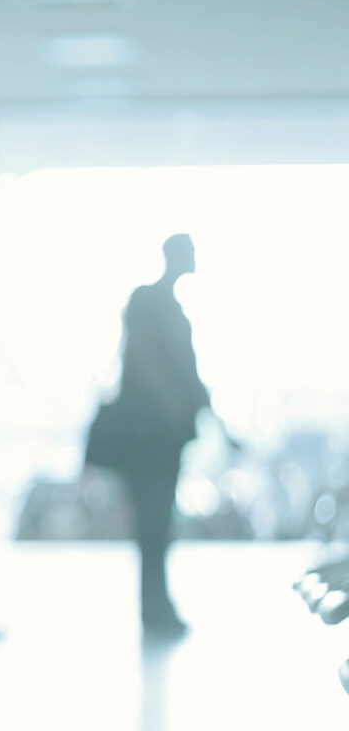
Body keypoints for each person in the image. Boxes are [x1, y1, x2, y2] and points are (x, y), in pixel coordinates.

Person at [105, 234, 216, 636]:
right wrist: (174, 407)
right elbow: (148, 361)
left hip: (158, 436)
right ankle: (155, 608)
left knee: (156, 524)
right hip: (150, 437)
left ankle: (155, 606)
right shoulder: (152, 303)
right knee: (153, 524)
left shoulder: (161, 305)